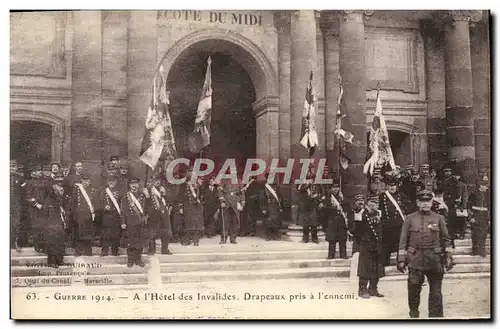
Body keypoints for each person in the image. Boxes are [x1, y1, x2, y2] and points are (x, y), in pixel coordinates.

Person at [397, 189, 453, 318]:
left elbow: (446, 239)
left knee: (436, 292)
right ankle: (414, 313)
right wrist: (401, 259)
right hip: (415, 260)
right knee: (413, 289)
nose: (425, 204)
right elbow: (403, 241)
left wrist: (449, 256)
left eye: (428, 201)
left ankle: (435, 317)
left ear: (432, 202)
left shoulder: (439, 218)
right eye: (422, 201)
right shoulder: (409, 219)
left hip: (435, 260)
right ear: (417, 203)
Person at [351, 196, 385, 299]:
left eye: (376, 203)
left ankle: (373, 289)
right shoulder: (361, 214)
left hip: (377, 244)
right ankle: (362, 290)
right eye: (371, 203)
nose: (374, 205)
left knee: (377, 268)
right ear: (368, 204)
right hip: (366, 245)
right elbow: (355, 231)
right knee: (365, 268)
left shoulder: (379, 214)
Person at [379, 176, 408, 266]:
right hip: (386, 224)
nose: (392, 187)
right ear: (387, 186)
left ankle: (400, 261)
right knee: (386, 244)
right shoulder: (382, 196)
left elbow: (407, 208)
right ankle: (385, 261)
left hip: (399, 224)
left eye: (394, 185)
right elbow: (379, 210)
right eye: (390, 186)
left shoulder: (402, 195)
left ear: (396, 186)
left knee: (400, 243)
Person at [41, 173, 68, 268]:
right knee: (52, 242)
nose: (61, 188)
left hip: (60, 223)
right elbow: (44, 213)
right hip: (51, 224)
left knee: (61, 241)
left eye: (62, 185)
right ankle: (51, 262)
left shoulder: (63, 199)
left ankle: (59, 260)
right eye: (58, 185)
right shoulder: (49, 199)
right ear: (54, 187)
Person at [120, 178, 147, 267]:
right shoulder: (126, 197)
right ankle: (130, 260)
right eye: (132, 184)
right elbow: (123, 211)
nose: (134, 186)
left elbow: (147, 209)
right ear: (129, 185)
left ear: (138, 185)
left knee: (139, 242)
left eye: (136, 184)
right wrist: (123, 222)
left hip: (140, 222)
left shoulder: (143, 196)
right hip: (130, 222)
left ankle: (138, 260)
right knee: (131, 242)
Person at [145, 175, 173, 255]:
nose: (157, 182)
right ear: (152, 181)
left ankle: (165, 250)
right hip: (153, 214)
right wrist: (147, 197)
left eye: (158, 180)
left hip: (164, 214)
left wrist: (164, 194)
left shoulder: (163, 189)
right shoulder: (148, 190)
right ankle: (151, 250)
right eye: (155, 180)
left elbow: (169, 202)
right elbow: (145, 204)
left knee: (166, 233)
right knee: (152, 233)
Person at [69, 175, 97, 256]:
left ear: (90, 181)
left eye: (87, 180)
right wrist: (74, 214)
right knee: (78, 234)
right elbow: (73, 203)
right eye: (84, 180)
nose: (85, 182)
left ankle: (88, 251)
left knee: (88, 234)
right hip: (79, 215)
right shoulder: (77, 189)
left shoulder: (93, 190)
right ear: (81, 181)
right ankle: (78, 251)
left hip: (88, 215)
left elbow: (95, 203)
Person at [176, 168, 204, 246]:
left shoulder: (197, 186)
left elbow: (198, 198)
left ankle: (196, 240)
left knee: (196, 224)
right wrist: (181, 207)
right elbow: (180, 197)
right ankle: (186, 240)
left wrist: (193, 189)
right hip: (187, 207)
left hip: (195, 207)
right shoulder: (183, 186)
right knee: (187, 224)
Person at [323, 181, 349, 259]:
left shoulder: (342, 198)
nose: (335, 189)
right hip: (332, 220)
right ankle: (331, 255)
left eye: (337, 187)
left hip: (341, 220)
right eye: (334, 188)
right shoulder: (327, 198)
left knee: (342, 239)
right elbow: (324, 209)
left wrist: (343, 199)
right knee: (332, 239)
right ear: (331, 189)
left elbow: (347, 207)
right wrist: (333, 208)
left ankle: (343, 254)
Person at [98, 175, 123, 256]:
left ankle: (115, 251)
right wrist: (104, 207)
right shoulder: (103, 192)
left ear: (116, 182)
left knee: (115, 234)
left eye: (113, 181)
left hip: (116, 216)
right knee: (105, 234)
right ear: (107, 182)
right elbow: (98, 203)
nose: (111, 183)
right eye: (110, 181)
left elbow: (122, 204)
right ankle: (104, 251)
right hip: (106, 216)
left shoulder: (120, 192)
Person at [25, 164, 47, 253]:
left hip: (44, 207)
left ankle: (43, 245)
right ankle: (37, 246)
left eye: (40, 170)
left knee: (44, 226)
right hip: (34, 209)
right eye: (38, 170)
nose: (40, 172)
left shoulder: (44, 182)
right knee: (36, 227)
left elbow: (47, 195)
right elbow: (27, 196)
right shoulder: (29, 182)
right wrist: (36, 204)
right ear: (33, 173)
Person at [468, 174, 490, 257]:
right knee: (475, 234)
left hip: (484, 217)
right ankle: (475, 250)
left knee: (483, 234)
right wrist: (471, 217)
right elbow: (469, 207)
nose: (486, 187)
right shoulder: (473, 194)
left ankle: (482, 251)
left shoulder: (488, 195)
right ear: (480, 185)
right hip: (475, 216)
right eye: (485, 185)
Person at [297, 173, 322, 243]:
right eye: (308, 179)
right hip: (305, 206)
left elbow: (320, 192)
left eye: (311, 179)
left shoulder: (316, 185)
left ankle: (315, 238)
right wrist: (307, 184)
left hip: (313, 206)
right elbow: (300, 190)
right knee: (305, 224)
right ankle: (305, 238)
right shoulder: (303, 185)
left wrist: (317, 196)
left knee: (314, 224)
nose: (310, 180)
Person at [260, 176, 283, 241]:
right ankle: (268, 236)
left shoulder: (276, 186)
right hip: (268, 206)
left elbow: (279, 197)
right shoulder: (264, 187)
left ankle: (275, 236)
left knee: (275, 222)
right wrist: (263, 208)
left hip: (275, 206)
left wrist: (280, 206)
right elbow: (261, 199)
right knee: (268, 222)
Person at [10, 160, 23, 251]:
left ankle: (15, 242)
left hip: (16, 203)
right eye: (10, 166)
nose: (12, 168)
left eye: (14, 166)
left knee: (16, 222)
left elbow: (23, 191)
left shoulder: (20, 177)